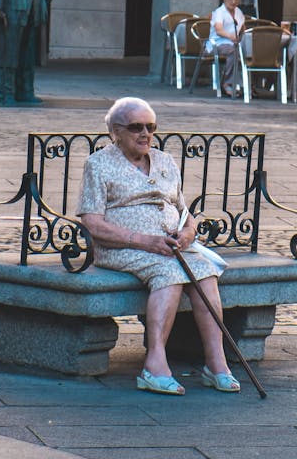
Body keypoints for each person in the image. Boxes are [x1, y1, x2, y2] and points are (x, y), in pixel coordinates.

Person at [77, 98, 239, 396]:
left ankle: (216, 363)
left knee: (204, 271)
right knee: (169, 271)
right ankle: (155, 364)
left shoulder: (165, 161)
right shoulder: (98, 164)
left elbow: (182, 209)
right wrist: (145, 241)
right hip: (124, 247)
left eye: (151, 127)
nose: (145, 134)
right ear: (115, 131)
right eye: (136, 127)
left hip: (171, 245)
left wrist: (189, 232)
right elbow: (92, 223)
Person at [206, 0, 245, 97]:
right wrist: (231, 36)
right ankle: (227, 83)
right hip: (217, 44)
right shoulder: (219, 12)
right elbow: (219, 30)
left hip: (234, 44)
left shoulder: (239, 12)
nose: (233, 2)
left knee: (251, 50)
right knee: (234, 50)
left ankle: (249, 85)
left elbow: (243, 29)